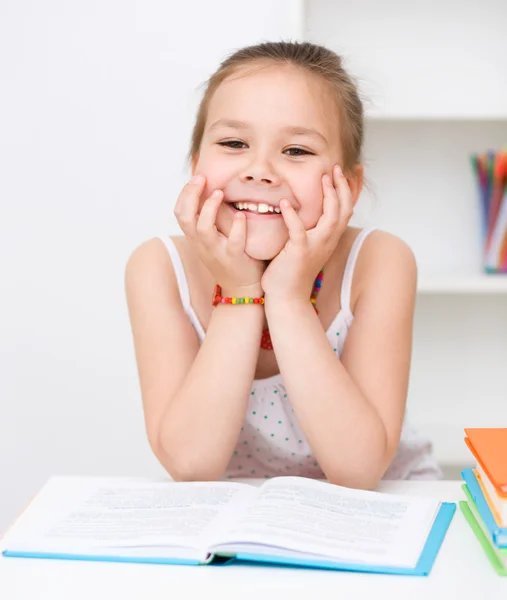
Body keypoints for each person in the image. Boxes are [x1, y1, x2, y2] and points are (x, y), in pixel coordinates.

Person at [125, 41, 442, 488]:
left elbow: (357, 470)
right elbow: (193, 465)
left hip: (383, 504)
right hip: (241, 516)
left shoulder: (379, 261)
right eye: (234, 143)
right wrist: (240, 291)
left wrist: (289, 298)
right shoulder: (159, 267)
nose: (259, 170)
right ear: (197, 166)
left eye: (296, 151)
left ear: (348, 186)